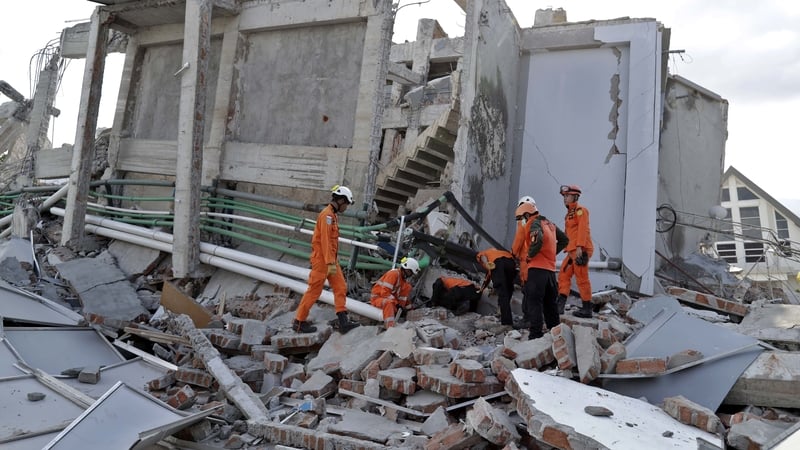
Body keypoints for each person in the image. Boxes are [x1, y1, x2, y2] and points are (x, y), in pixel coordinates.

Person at [292, 185, 360, 334]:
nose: (347, 207)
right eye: (347, 203)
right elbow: (325, 241)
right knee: (314, 291)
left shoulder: (332, 215)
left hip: (330, 261)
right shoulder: (327, 216)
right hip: (322, 261)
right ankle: (298, 322)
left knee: (341, 287)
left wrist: (332, 261)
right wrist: (330, 262)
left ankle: (343, 322)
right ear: (341, 200)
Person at [519, 202, 569, 339]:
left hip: (537, 271)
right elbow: (565, 240)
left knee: (534, 303)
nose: (523, 221)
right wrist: (551, 254)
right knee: (550, 305)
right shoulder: (550, 224)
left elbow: (538, 239)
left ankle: (536, 336)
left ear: (527, 214)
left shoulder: (534, 223)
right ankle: (557, 335)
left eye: (522, 218)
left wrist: (530, 255)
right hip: (550, 273)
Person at [557, 184, 595, 318]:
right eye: (564, 196)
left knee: (582, 278)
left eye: (567, 196)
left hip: (581, 249)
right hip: (573, 250)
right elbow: (570, 233)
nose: (565, 198)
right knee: (563, 274)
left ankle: (587, 309)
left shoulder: (580, 211)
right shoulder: (570, 214)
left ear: (575, 197)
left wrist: (579, 247)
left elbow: (582, 229)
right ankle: (559, 306)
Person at [370, 257, 420, 328]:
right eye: (411, 272)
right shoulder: (393, 274)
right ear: (407, 270)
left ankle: (396, 321)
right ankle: (389, 327)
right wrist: (396, 304)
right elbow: (384, 292)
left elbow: (403, 300)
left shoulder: (405, 283)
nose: (411, 275)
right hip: (377, 298)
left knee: (395, 305)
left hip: (390, 300)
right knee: (389, 304)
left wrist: (408, 309)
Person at [476, 247, 516, 326]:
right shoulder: (500, 252)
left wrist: (486, 263)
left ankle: (506, 324)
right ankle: (500, 309)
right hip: (511, 262)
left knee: (502, 292)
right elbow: (488, 277)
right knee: (508, 288)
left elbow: (482, 256)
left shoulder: (485, 252)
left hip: (497, 263)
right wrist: (482, 289)